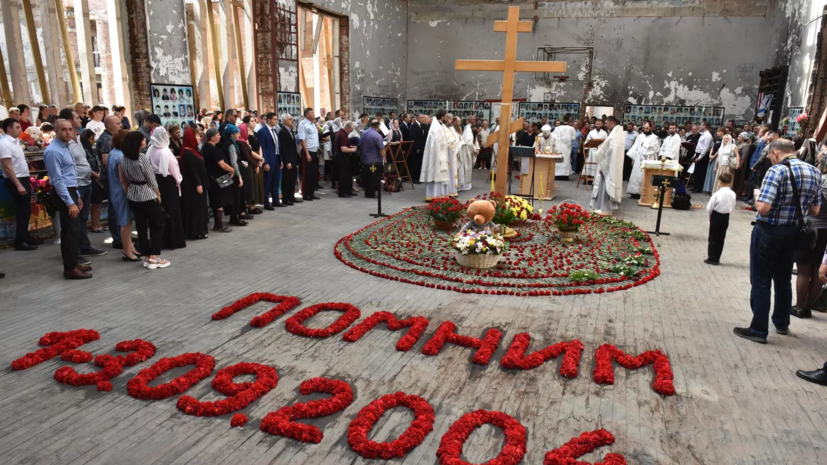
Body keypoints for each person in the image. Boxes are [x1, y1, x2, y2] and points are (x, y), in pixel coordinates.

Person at [734, 139, 822, 344]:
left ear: (775, 153)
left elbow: (763, 208)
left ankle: (758, 329)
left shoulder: (776, 172)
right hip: (794, 233)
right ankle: (781, 323)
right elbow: (815, 210)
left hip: (769, 231)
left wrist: (757, 196)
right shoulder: (814, 171)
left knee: (761, 279)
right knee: (783, 278)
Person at [43, 119, 91, 279]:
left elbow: (70, 174)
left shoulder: (66, 147)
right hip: (63, 192)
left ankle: (72, 263)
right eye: (64, 129)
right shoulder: (53, 151)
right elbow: (57, 179)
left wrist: (76, 195)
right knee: (72, 229)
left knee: (71, 229)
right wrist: (70, 202)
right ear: (56, 131)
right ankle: (70, 268)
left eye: (70, 129)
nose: (68, 132)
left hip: (71, 190)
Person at [119, 132, 170, 269]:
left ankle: (147, 256)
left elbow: (123, 180)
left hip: (133, 194)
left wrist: (129, 192)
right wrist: (158, 193)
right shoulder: (141, 157)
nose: (144, 141)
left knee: (141, 226)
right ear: (137, 143)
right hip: (146, 194)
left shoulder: (124, 158)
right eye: (142, 139)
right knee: (158, 224)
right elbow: (150, 177)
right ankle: (154, 256)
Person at [791, 161, 827, 319]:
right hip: (825, 231)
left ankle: (799, 306)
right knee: (818, 270)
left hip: (810, 228)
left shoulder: (819, 180)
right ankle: (807, 307)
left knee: (803, 270)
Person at [1, 118, 40, 250]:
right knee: (22, 210)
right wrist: (18, 184)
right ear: (9, 128)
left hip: (23, 177)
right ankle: (20, 241)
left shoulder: (15, 141)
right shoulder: (4, 143)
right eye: (17, 127)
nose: (20, 130)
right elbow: (7, 167)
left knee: (26, 209)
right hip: (15, 179)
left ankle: (25, 236)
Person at [147, 127, 186, 249]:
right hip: (168, 183)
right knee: (172, 211)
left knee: (159, 211)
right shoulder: (166, 152)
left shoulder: (150, 149)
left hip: (155, 181)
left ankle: (161, 240)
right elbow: (174, 170)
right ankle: (174, 241)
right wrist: (179, 181)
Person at [106, 129, 140, 261]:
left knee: (127, 221)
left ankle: (130, 247)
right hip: (122, 192)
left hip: (115, 191)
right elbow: (123, 179)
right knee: (125, 222)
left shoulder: (113, 153)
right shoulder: (120, 156)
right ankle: (127, 251)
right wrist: (130, 194)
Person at [589, 116, 625, 215]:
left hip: (608, 166)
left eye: (606, 123)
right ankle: (603, 206)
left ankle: (604, 208)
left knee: (605, 186)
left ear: (612, 123)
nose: (605, 125)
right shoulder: (617, 133)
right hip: (611, 164)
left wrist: (603, 165)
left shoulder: (614, 135)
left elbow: (610, 152)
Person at [420, 109, 458, 201]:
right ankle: (433, 195)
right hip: (437, 155)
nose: (446, 118)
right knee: (436, 175)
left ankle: (440, 195)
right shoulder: (436, 127)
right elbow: (436, 143)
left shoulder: (440, 125)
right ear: (443, 116)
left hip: (442, 154)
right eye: (446, 116)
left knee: (441, 177)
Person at [179, 128, 210, 240]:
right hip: (193, 186)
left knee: (200, 208)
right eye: (196, 136)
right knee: (196, 209)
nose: (199, 138)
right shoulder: (188, 153)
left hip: (198, 183)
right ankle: (197, 231)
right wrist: (198, 184)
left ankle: (200, 230)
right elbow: (192, 171)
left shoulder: (192, 150)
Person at [202, 128, 233, 232]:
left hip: (217, 177)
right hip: (218, 178)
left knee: (220, 200)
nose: (220, 136)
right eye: (218, 135)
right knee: (219, 201)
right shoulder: (211, 149)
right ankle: (218, 225)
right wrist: (231, 169)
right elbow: (221, 164)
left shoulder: (209, 147)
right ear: (212, 137)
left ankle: (218, 224)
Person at [705, 172, 736, 265]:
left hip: (716, 215)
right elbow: (733, 205)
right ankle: (717, 257)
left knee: (713, 237)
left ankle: (711, 257)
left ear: (719, 182)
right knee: (721, 237)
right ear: (730, 182)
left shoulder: (717, 194)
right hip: (726, 216)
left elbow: (709, 207)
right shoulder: (732, 194)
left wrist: (709, 216)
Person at [626, 122, 660, 199]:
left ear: (651, 128)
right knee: (637, 176)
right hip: (639, 158)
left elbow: (655, 149)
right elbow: (635, 147)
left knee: (645, 176)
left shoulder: (655, 138)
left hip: (649, 159)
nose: (645, 130)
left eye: (647, 128)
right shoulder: (639, 136)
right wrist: (633, 158)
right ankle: (635, 192)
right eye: (644, 128)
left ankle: (645, 192)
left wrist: (644, 145)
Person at [257, 112, 284, 209]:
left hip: (276, 158)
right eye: (274, 119)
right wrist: (266, 162)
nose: (276, 121)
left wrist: (280, 159)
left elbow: (277, 146)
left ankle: (276, 200)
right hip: (269, 159)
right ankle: (266, 202)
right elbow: (263, 148)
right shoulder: (262, 131)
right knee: (268, 181)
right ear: (268, 119)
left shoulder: (275, 130)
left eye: (276, 119)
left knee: (276, 181)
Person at [222, 124, 247, 226]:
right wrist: (239, 176)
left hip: (230, 174)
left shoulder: (228, 143)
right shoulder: (231, 145)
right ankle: (234, 216)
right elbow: (234, 162)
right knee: (235, 196)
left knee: (234, 196)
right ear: (231, 134)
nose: (239, 134)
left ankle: (234, 215)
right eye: (237, 133)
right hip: (233, 174)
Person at [360, 119, 387, 198]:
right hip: (374, 160)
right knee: (374, 177)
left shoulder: (364, 133)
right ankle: (371, 193)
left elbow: (360, 144)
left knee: (367, 177)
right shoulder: (377, 135)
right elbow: (382, 149)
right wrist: (384, 159)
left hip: (365, 159)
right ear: (378, 126)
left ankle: (367, 192)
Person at [236, 122, 259, 214]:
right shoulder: (240, 143)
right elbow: (247, 156)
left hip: (249, 166)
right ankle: (248, 207)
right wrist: (255, 164)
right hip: (246, 167)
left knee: (251, 187)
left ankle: (251, 206)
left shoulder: (244, 141)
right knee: (248, 188)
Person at [298, 108, 321, 201]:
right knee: (307, 173)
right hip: (308, 151)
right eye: (312, 113)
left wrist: (319, 148)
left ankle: (312, 192)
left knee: (314, 173)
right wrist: (307, 154)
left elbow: (313, 138)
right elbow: (302, 140)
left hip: (315, 150)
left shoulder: (313, 124)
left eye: (313, 112)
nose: (313, 114)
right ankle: (306, 193)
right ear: (307, 115)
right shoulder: (302, 124)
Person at [278, 114, 299, 205]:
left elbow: (293, 148)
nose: (292, 121)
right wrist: (287, 162)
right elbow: (284, 149)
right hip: (288, 160)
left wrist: (296, 160)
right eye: (290, 119)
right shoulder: (282, 132)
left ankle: (291, 196)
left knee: (292, 179)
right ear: (285, 121)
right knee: (287, 180)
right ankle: (286, 198)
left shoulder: (291, 131)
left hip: (293, 159)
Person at [334, 121, 357, 197]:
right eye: (351, 130)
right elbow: (343, 149)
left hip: (342, 156)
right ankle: (343, 192)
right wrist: (352, 150)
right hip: (342, 157)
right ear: (347, 128)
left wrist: (350, 146)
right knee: (343, 175)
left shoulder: (342, 132)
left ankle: (348, 190)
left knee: (347, 174)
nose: (351, 131)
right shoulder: (343, 135)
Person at [691, 122, 714, 192]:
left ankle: (699, 187)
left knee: (700, 172)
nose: (700, 126)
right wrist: (695, 155)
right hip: (698, 153)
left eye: (701, 125)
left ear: (704, 126)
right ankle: (695, 186)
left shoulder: (708, 135)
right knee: (696, 172)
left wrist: (700, 157)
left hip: (702, 155)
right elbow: (699, 146)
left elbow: (706, 148)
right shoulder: (702, 134)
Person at [703, 128, 725, 193]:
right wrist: (710, 155)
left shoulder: (723, 140)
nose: (717, 133)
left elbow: (720, 150)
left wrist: (713, 156)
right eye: (717, 131)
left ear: (723, 132)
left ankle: (714, 188)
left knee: (714, 174)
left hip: (716, 157)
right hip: (712, 157)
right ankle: (709, 189)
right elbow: (712, 147)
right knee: (710, 173)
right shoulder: (716, 139)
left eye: (719, 131)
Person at [458, 116, 477, 191]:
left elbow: (472, 140)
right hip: (467, 152)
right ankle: (465, 184)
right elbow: (468, 142)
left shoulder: (470, 128)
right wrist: (475, 149)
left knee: (468, 169)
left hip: (469, 151)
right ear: (468, 120)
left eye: (474, 119)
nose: (474, 120)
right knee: (466, 168)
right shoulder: (467, 128)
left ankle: (467, 183)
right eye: (472, 119)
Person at [410, 113, 428, 183]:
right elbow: (413, 137)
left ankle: (419, 177)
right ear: (417, 118)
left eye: (423, 117)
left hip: (422, 147)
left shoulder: (422, 126)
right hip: (416, 148)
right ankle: (414, 178)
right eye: (421, 117)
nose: (423, 119)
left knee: (420, 163)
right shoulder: (414, 126)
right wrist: (416, 147)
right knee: (415, 163)